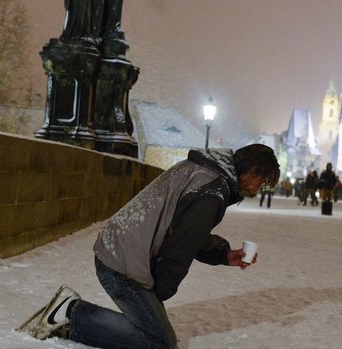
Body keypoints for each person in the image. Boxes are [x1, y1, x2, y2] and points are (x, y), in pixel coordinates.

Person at [18, 145, 280, 348]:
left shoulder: (205, 172)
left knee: (153, 332)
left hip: (120, 248)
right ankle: (71, 315)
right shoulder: (213, 190)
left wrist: (224, 254)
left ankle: (71, 313)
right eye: (263, 181)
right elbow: (179, 249)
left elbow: (186, 231)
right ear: (253, 169)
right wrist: (157, 294)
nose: (259, 189)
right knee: (160, 343)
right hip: (123, 264)